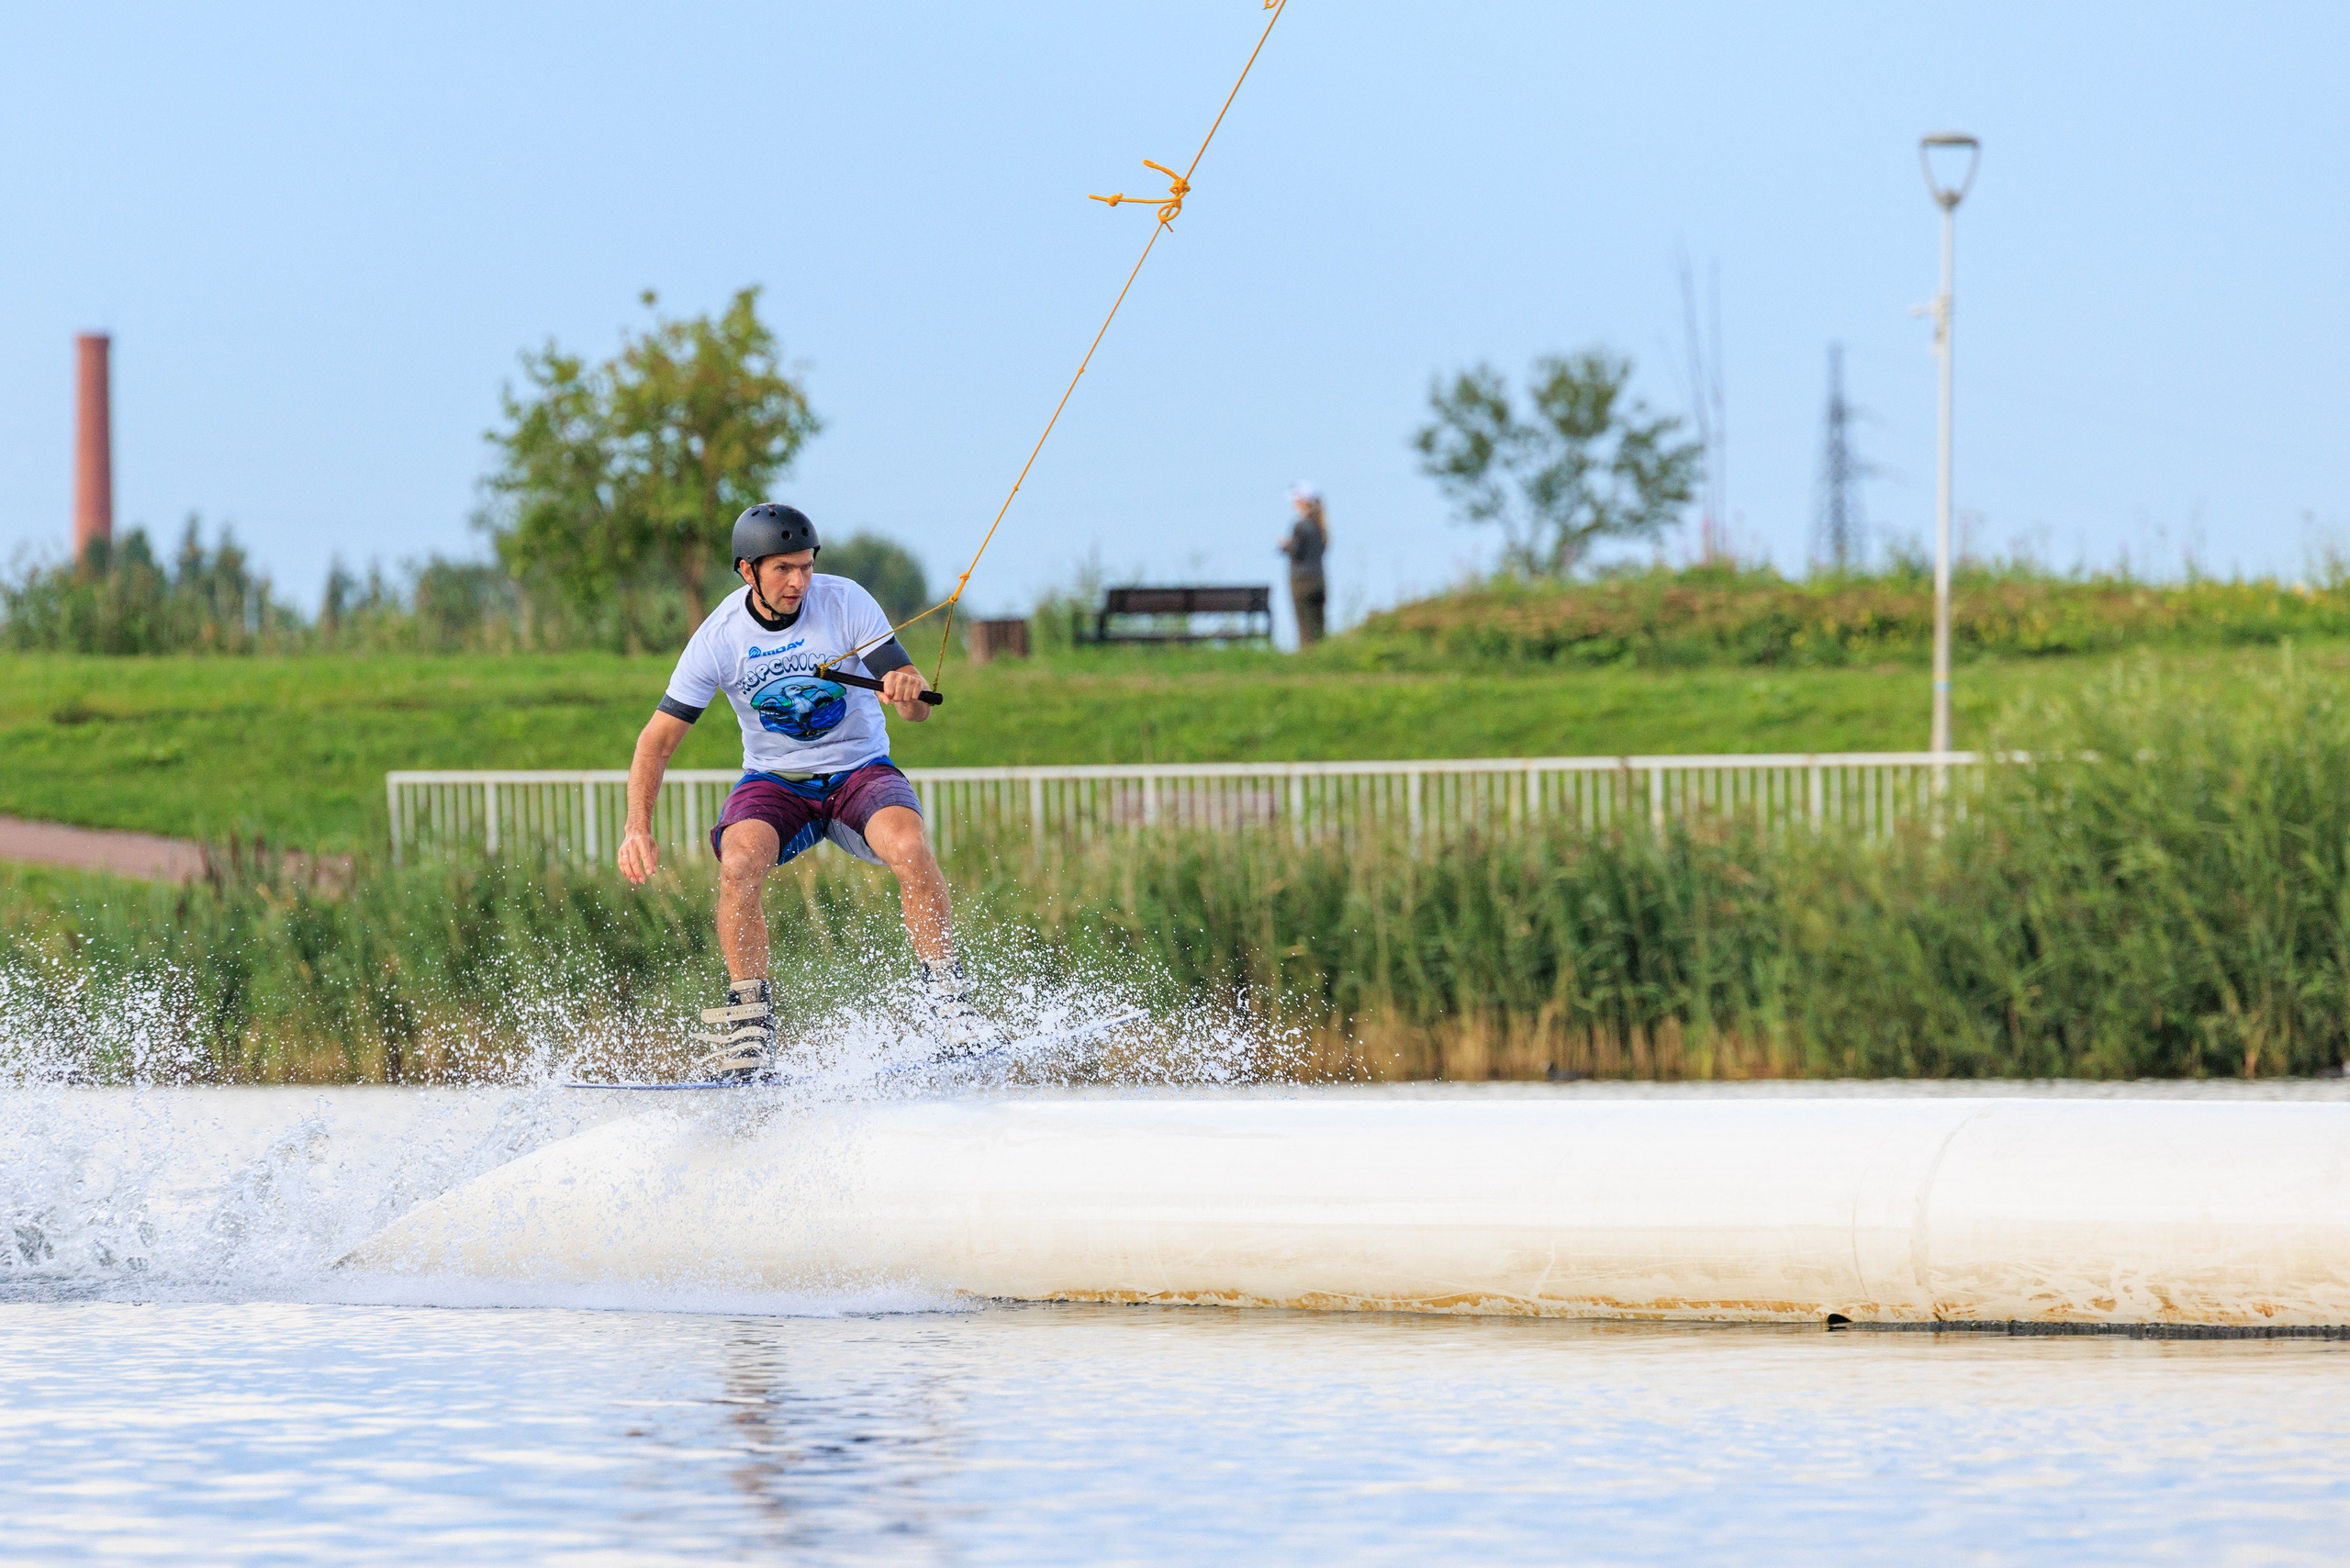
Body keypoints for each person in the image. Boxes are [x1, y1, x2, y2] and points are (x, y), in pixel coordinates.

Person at [616, 503, 980, 1081]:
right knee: (739, 861)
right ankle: (750, 1027)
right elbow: (655, 742)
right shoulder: (719, 637)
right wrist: (637, 827)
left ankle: (949, 1001)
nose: (798, 582)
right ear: (747, 571)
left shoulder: (846, 602)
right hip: (775, 781)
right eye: (783, 569)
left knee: (910, 847)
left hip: (859, 770)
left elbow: (915, 711)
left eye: (806, 567)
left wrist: (908, 692)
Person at [1278, 483, 1329, 645]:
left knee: (1305, 627)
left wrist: (1285, 546)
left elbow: (1296, 551)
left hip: (1301, 581)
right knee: (1319, 626)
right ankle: (1322, 655)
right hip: (1319, 579)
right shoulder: (1321, 527)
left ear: (1302, 502)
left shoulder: (1300, 526)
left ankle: (1308, 655)